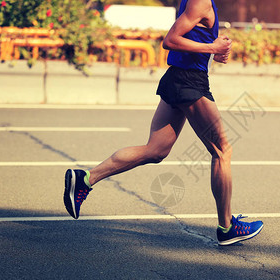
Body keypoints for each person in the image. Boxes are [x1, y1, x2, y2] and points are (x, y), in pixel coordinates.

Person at [63, 0, 263, 246]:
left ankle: (84, 179)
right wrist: (211, 47)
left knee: (156, 150)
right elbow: (170, 40)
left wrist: (212, 51)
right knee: (222, 150)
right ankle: (227, 227)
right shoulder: (200, 1)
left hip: (178, 79)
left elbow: (188, 38)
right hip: (189, 83)